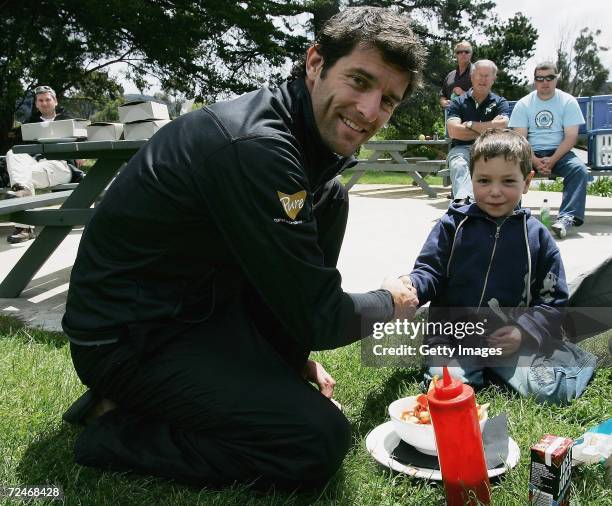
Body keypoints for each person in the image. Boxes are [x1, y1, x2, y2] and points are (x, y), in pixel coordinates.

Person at [61, 7, 424, 490]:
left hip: (194, 311)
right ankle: (117, 432)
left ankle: (225, 386)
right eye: (359, 80)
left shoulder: (308, 151)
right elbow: (317, 314)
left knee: (329, 198)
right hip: (127, 337)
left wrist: (285, 362)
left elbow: (286, 291)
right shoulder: (257, 147)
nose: (368, 110)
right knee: (315, 441)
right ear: (315, 62)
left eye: (388, 101)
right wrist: (389, 302)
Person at [402, 129, 595, 404]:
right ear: (471, 179)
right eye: (484, 180)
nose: (494, 191)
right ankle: (470, 371)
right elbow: (429, 272)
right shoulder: (453, 225)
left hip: (510, 341)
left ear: (527, 181)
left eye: (507, 181)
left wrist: (523, 332)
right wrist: (411, 287)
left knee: (549, 391)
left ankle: (569, 357)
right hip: (455, 339)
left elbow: (552, 301)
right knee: (450, 389)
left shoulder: (538, 238)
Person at [509, 62, 590, 239]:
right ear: (535, 80)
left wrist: (552, 159)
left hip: (559, 152)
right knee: (510, 170)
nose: (545, 82)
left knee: (579, 170)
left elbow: (571, 137)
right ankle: (511, 217)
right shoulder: (524, 104)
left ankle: (566, 218)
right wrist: (536, 161)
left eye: (549, 78)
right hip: (529, 152)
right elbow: (520, 139)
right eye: (540, 78)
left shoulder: (567, 101)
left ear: (556, 78)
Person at [3, 85, 83, 244]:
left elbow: (83, 142)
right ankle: (23, 191)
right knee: (12, 154)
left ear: (55, 101)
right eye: (41, 100)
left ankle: (24, 228)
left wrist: (80, 154)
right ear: (36, 104)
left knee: (22, 178)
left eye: (48, 99)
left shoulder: (69, 120)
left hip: (61, 166)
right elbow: (20, 149)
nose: (45, 103)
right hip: (35, 165)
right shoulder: (30, 123)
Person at [446, 60, 510, 202]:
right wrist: (490, 128)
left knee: (509, 162)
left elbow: (502, 126)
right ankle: (464, 203)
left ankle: (503, 208)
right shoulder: (457, 102)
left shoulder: (500, 102)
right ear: (472, 77)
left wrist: (469, 124)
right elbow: (453, 131)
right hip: (462, 148)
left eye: (487, 76)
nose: (483, 79)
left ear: (493, 79)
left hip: (493, 148)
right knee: (459, 163)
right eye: (480, 75)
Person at [439, 40, 474, 109]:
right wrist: (443, 102)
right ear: (456, 55)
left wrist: (463, 93)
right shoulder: (450, 75)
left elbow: (484, 96)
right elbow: (442, 95)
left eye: (466, 52)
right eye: (459, 52)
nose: (463, 54)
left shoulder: (478, 72)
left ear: (471, 54)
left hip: (473, 117)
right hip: (451, 116)